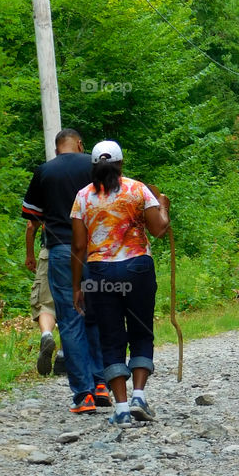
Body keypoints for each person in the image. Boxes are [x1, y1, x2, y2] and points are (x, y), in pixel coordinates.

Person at [71, 140, 171, 426]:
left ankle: (122, 408)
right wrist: (163, 205)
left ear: (93, 166)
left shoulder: (82, 197)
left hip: (100, 272)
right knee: (141, 331)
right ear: (121, 163)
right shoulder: (137, 189)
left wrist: (77, 285)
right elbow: (159, 229)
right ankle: (139, 395)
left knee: (110, 338)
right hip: (138, 267)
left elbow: (78, 246)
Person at [22, 129, 110, 414]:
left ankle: (83, 396)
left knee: (71, 321)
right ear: (81, 145)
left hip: (60, 251)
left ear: (56, 147)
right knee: (95, 316)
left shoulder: (44, 171)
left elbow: (32, 219)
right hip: (95, 252)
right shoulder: (95, 166)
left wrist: (29, 254)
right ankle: (101, 385)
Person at [24, 220, 60, 375]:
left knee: (45, 304)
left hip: (50, 252)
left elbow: (31, 226)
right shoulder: (86, 194)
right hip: (78, 253)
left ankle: (47, 335)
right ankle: (63, 357)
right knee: (72, 305)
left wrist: (30, 254)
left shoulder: (46, 194)